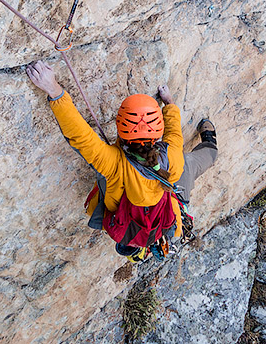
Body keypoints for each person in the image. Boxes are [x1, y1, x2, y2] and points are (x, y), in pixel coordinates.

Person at [25, 60, 218, 259]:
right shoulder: (172, 156)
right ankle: (210, 141)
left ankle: (138, 246)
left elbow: (81, 136)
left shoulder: (113, 164)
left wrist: (54, 90)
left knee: (108, 182)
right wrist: (169, 103)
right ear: (159, 130)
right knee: (202, 160)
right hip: (168, 190)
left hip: (131, 214)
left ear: (120, 126)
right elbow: (175, 134)